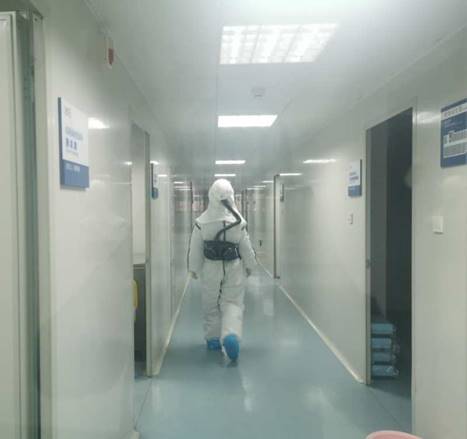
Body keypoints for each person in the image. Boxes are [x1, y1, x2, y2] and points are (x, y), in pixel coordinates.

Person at [188, 179, 256, 361]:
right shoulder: (238, 221)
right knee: (232, 302)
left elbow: (195, 247)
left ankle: (213, 339)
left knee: (210, 302)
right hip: (233, 267)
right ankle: (230, 334)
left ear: (211, 196)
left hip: (211, 266)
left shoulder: (202, 222)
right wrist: (250, 265)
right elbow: (245, 246)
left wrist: (194, 268)